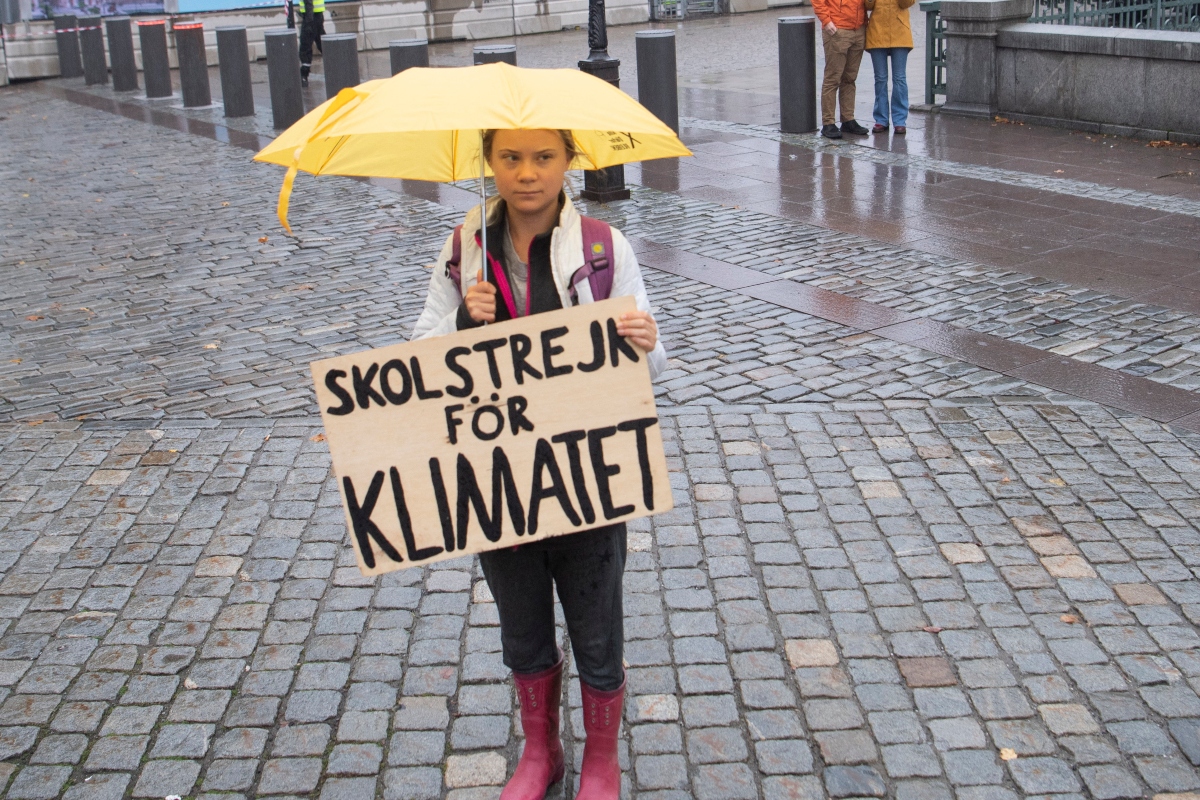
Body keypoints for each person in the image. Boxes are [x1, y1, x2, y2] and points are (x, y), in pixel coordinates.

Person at [411, 128, 665, 800]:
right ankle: (541, 750)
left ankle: (601, 761)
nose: (527, 174)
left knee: (596, 620)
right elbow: (418, 355)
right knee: (520, 618)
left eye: (544, 157)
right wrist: (462, 323)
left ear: (569, 163)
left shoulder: (604, 249)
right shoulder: (465, 247)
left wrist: (645, 339)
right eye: (511, 158)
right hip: (500, 480)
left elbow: (650, 366)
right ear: (489, 163)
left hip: (589, 474)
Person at [812, 0, 870, 139]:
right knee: (833, 78)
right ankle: (828, 123)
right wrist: (826, 20)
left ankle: (848, 119)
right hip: (838, 29)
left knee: (850, 78)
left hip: (858, 28)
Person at [865, 0, 915, 134]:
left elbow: (907, 3)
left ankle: (900, 121)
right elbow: (867, 5)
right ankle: (881, 119)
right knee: (880, 78)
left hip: (899, 31)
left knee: (899, 78)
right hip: (877, 31)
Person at [297, 0, 324, 87]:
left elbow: (308, 2)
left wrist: (308, 21)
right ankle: (338, 66)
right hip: (317, 15)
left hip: (311, 17)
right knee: (323, 43)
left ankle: (304, 75)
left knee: (305, 46)